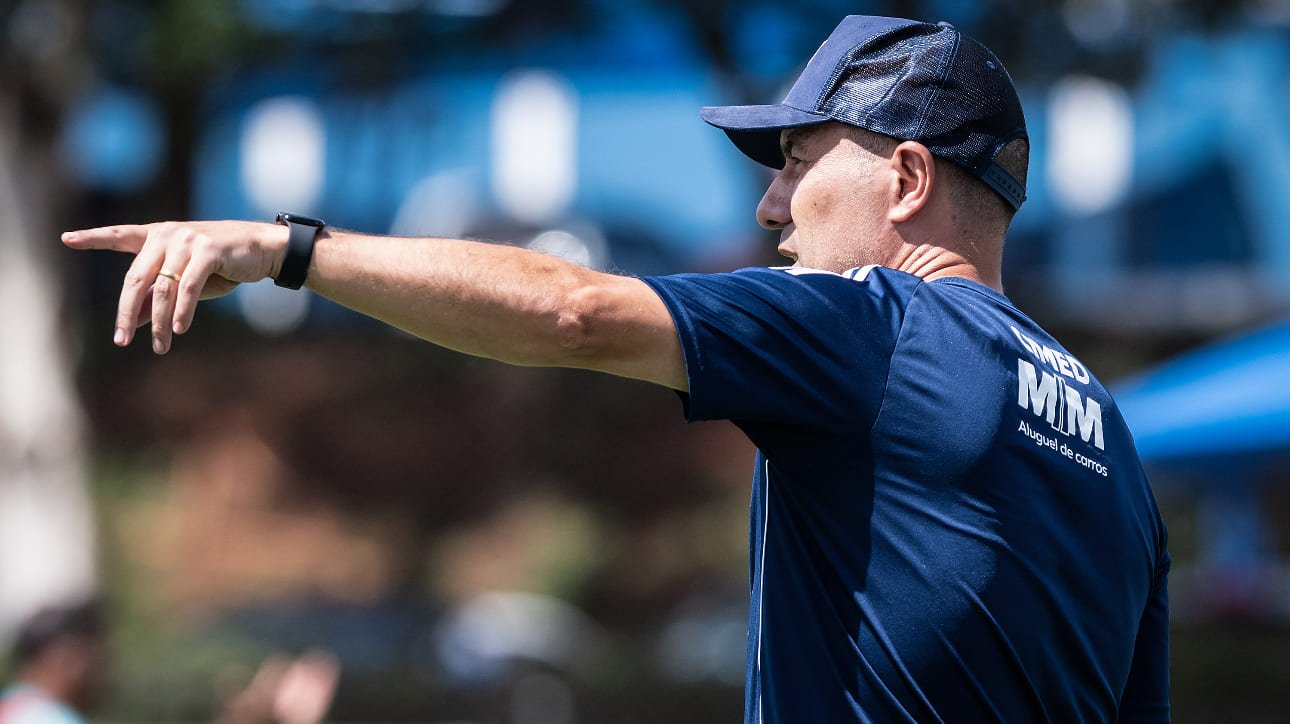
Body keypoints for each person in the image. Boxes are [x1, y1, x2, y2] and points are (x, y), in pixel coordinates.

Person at [64, 15, 1170, 723]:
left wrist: (289, 250)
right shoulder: (1115, 447)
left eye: (797, 163)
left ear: (910, 178)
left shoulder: (877, 325)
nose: (770, 206)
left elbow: (574, 311)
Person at [0, 601, 107, 724]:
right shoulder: (50, 718)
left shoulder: (9, 707)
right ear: (63, 659)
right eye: (88, 656)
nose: (97, 672)